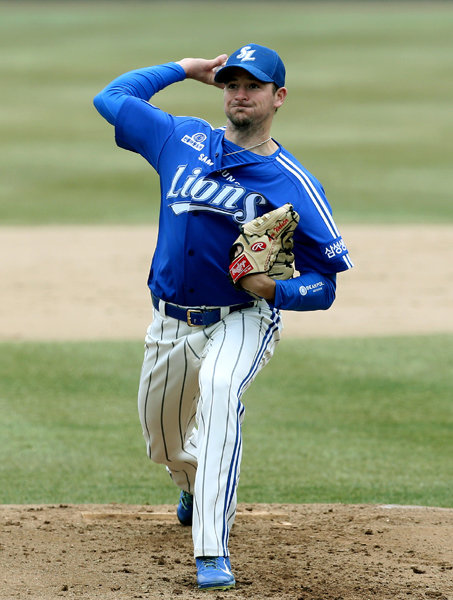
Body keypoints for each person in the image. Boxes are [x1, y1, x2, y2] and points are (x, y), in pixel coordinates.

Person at [93, 43, 353, 591]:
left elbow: (325, 284)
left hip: (243, 317)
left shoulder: (292, 183)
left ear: (277, 98)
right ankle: (191, 483)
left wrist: (275, 290)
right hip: (169, 321)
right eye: (232, 84)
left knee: (219, 395)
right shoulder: (178, 138)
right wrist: (186, 68)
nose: (240, 94)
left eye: (253, 86)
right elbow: (111, 97)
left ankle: (211, 550)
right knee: (162, 443)